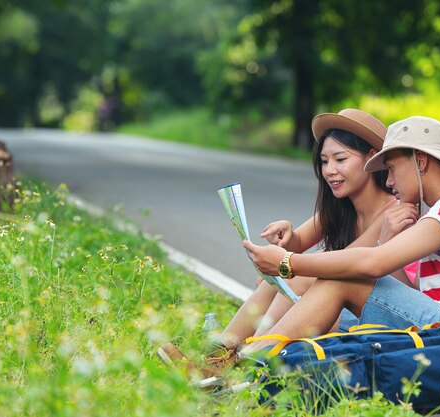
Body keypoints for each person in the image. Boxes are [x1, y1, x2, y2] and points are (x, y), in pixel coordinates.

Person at [245, 116, 440, 395]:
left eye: (392, 168)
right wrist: (386, 240)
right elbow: (407, 297)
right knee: (326, 314)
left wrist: (288, 263)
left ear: (420, 161)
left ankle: (250, 368)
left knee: (337, 280)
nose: (388, 181)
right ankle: (249, 360)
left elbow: (370, 264)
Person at [158, 109, 417, 376]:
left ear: (372, 158)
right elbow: (299, 242)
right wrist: (288, 237)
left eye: (341, 159)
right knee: (285, 276)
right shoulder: (339, 208)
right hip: (345, 307)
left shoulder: (392, 211)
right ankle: (220, 355)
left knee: (295, 275)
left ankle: (242, 364)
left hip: (380, 318)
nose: (330, 171)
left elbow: (348, 262)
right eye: (325, 161)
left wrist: (284, 265)